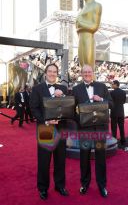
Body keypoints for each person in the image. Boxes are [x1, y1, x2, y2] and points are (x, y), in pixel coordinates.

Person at [30, 64, 69, 200]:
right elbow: (34, 108)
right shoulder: (37, 89)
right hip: (45, 130)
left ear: (57, 73)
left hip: (61, 130)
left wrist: (62, 96)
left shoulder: (64, 88)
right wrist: (45, 121)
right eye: (50, 71)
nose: (52, 74)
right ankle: (43, 188)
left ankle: (60, 185)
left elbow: (69, 106)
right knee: (44, 161)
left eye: (55, 72)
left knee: (60, 160)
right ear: (45, 73)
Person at [73, 65, 113, 197]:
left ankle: (102, 185)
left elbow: (112, 104)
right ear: (81, 73)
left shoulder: (102, 87)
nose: (87, 74)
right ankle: (84, 184)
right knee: (84, 157)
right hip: (84, 130)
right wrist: (80, 120)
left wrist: (101, 99)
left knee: (101, 158)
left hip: (100, 129)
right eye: (85, 72)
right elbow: (71, 110)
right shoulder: (76, 89)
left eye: (89, 72)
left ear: (93, 73)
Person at [76, 0, 102, 69]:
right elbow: (77, 26)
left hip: (88, 38)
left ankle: (92, 82)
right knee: (82, 67)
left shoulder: (96, 5)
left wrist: (81, 22)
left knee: (89, 68)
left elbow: (94, 26)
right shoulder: (82, 9)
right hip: (81, 38)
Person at [110, 80, 126, 146]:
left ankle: (114, 141)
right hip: (121, 112)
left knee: (114, 128)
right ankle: (123, 140)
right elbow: (124, 101)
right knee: (121, 127)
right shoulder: (123, 92)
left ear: (116, 84)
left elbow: (110, 103)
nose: (111, 85)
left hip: (114, 113)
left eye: (112, 84)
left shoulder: (111, 93)